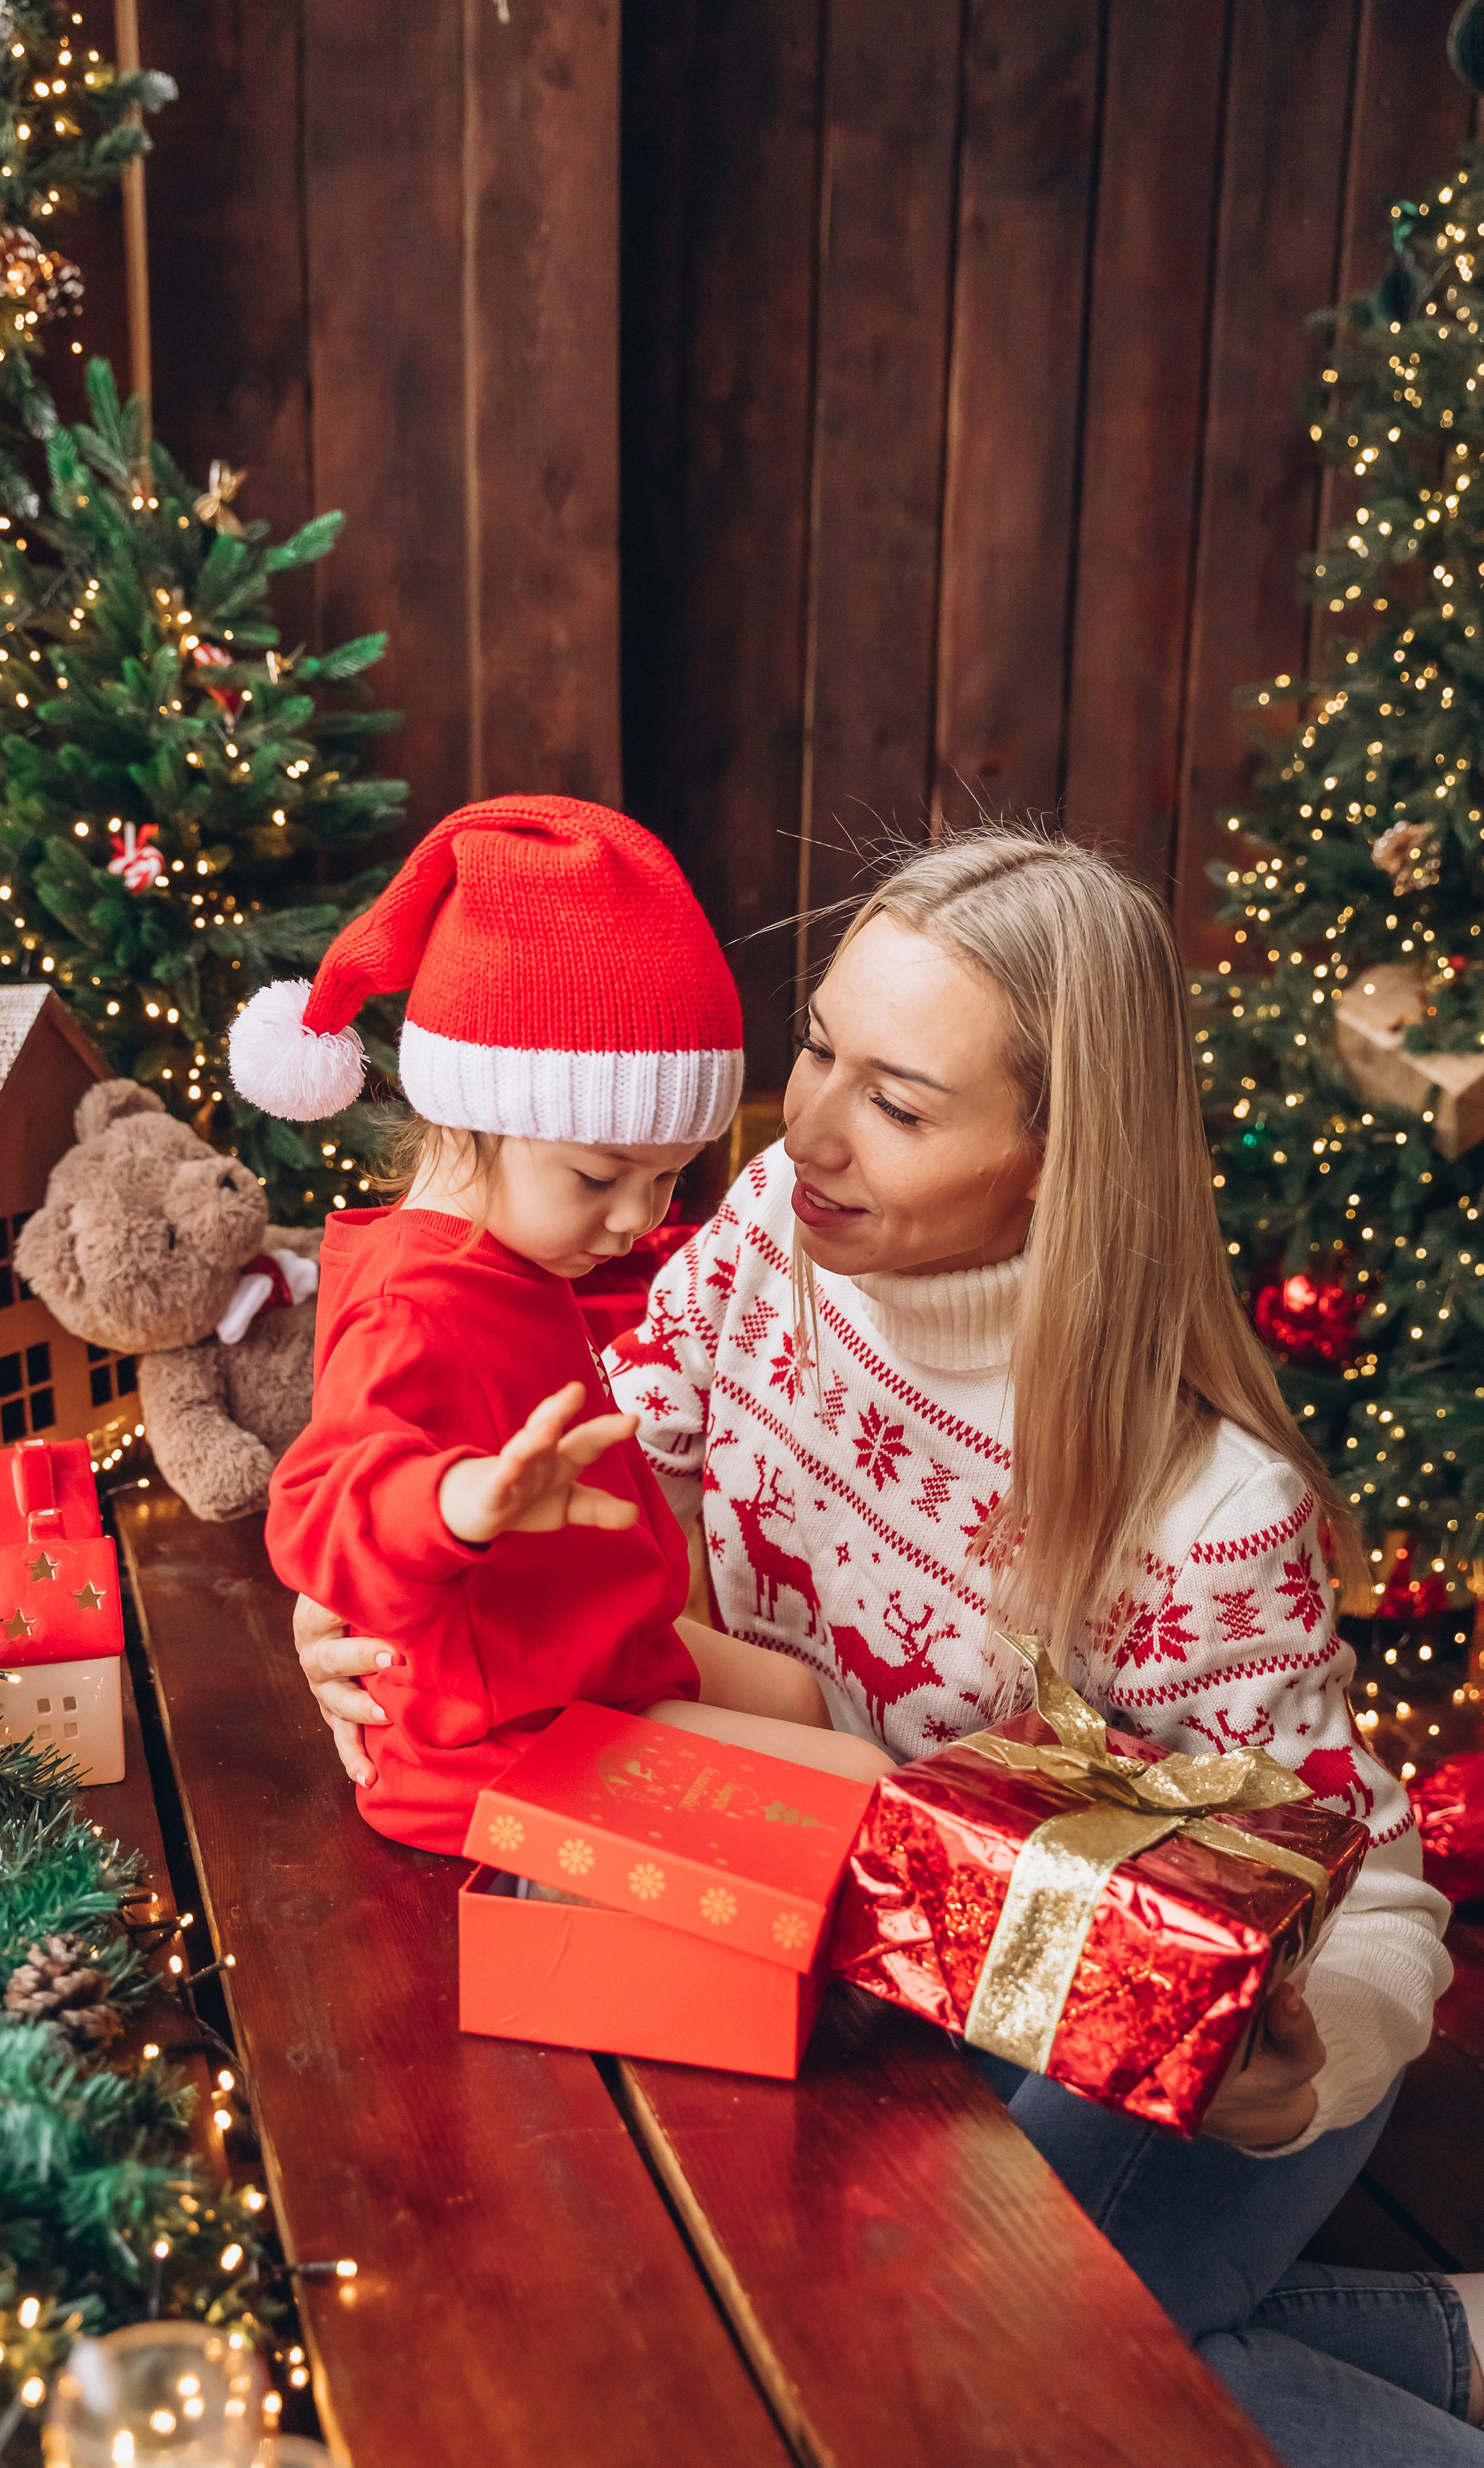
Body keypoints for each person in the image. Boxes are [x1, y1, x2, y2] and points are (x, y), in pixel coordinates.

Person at [293, 824, 1481, 2463]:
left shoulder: (1203, 1510)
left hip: (1173, 2069)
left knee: (958, 2375)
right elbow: (565, 1482)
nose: (807, 1132)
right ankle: (1440, 2336)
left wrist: (1298, 2073)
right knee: (935, 2341)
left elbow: (1375, 1895)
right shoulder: (768, 1232)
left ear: (1057, 1157)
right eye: (815, 1050)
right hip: (879, 1987)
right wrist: (387, 1590)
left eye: (901, 1105)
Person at [231, 794, 888, 1858]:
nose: (637, 1218)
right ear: (471, 1118)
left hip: (581, 1652)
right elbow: (321, 1501)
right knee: (862, 1786)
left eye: (669, 1179)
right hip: (500, 1735)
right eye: (599, 1177)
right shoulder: (409, 1303)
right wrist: (456, 1501)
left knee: (802, 1698)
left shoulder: (525, 1249)